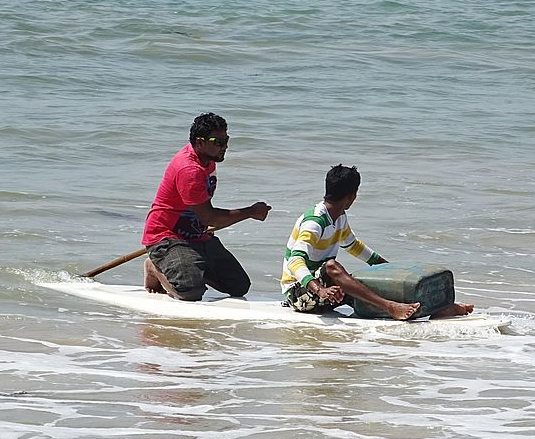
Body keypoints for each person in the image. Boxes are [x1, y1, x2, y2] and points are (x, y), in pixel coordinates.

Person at [280, 164, 474, 320]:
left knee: (367, 283)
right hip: (298, 293)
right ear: (351, 196)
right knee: (333, 267)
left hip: (324, 290)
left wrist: (390, 270)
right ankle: (391, 307)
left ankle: (439, 308)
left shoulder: (339, 216)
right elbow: (295, 261)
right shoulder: (314, 222)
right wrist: (320, 289)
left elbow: (354, 246)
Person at [142, 112, 271, 301]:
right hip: (167, 236)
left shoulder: (207, 160)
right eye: (217, 142)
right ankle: (154, 266)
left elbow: (204, 214)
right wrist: (251, 212)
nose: (224, 146)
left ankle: (187, 266)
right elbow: (209, 217)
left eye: (225, 140)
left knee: (239, 286)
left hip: (196, 235)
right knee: (190, 291)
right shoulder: (189, 170)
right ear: (199, 142)